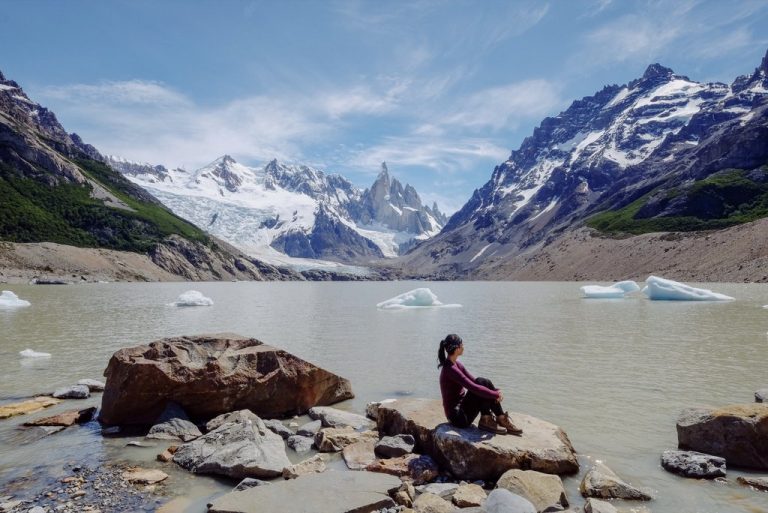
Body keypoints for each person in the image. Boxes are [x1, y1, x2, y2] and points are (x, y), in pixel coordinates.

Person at [437, 334, 522, 435]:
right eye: (462, 344)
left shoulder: (456, 364)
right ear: (457, 348)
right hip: (458, 418)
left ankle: (499, 418)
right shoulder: (450, 369)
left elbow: (474, 381)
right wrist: (496, 395)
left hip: (462, 410)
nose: (463, 346)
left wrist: (496, 391)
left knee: (482, 381)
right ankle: (487, 420)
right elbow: (473, 387)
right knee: (480, 385)